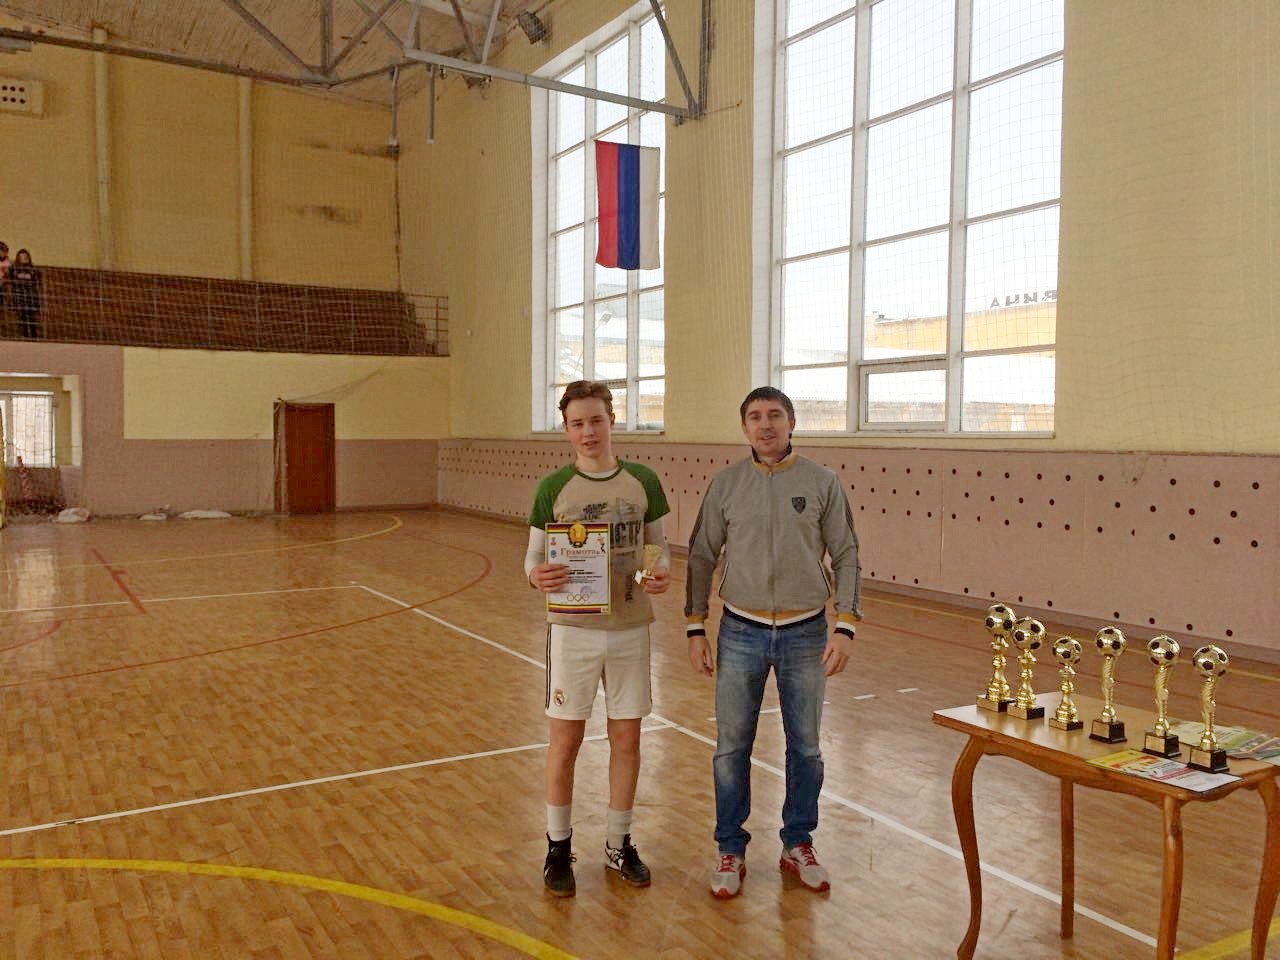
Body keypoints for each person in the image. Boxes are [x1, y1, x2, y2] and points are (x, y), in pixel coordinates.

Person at [685, 386, 861, 899]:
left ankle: (797, 842)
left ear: (791, 423)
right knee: (731, 747)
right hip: (740, 631)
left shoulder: (822, 482)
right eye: (756, 417)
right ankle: (730, 847)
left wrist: (846, 624)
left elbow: (846, 552)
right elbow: (700, 554)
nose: (766, 425)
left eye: (775, 415)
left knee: (805, 747)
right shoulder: (726, 484)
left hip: (807, 633)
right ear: (744, 427)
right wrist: (695, 625)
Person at [525, 380, 672, 897]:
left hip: (630, 630)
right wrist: (536, 576)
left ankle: (617, 843)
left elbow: (656, 547)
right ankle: (558, 846)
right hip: (573, 632)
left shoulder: (643, 481)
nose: (588, 431)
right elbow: (533, 557)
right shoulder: (553, 487)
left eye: (596, 420)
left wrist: (657, 573)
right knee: (564, 742)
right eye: (577, 423)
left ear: (612, 420)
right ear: (566, 430)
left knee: (627, 739)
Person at [10, 249, 41, 339]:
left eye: (26, 257)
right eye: (22, 257)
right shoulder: (14, 268)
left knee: (32, 317)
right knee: (22, 317)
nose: (24, 259)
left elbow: (36, 278)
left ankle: (33, 337)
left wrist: (26, 277)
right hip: (19, 296)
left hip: (31, 296)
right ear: (18, 258)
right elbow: (14, 277)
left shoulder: (33, 268)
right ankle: (24, 336)